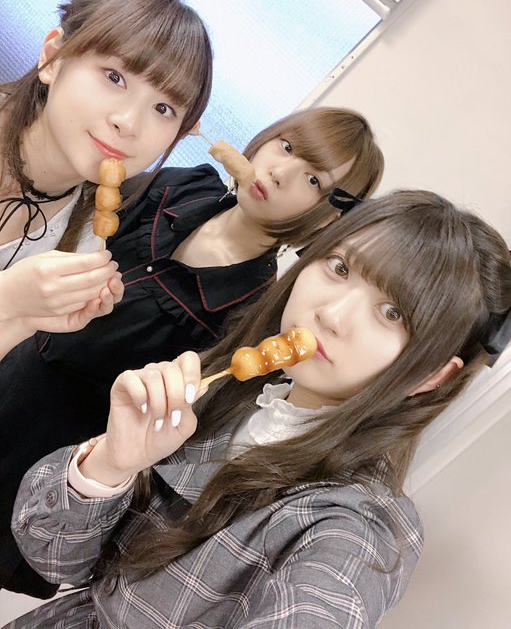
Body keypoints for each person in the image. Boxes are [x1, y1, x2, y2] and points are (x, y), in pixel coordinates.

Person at [7, 190, 511, 628]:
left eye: (392, 312)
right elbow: (53, 559)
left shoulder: (356, 528)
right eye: (339, 268)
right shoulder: (222, 397)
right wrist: (111, 465)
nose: (332, 315)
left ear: (432, 375)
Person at [0, 105, 384, 597]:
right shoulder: (182, 187)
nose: (279, 172)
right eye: (287, 147)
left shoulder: (255, 311)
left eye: (313, 180)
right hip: (13, 365)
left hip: (56, 454)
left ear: (329, 215)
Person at [0, 0, 212, 318]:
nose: (128, 123)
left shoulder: (81, 245)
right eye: (115, 77)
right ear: (54, 58)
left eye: (163, 109)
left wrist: (32, 320)